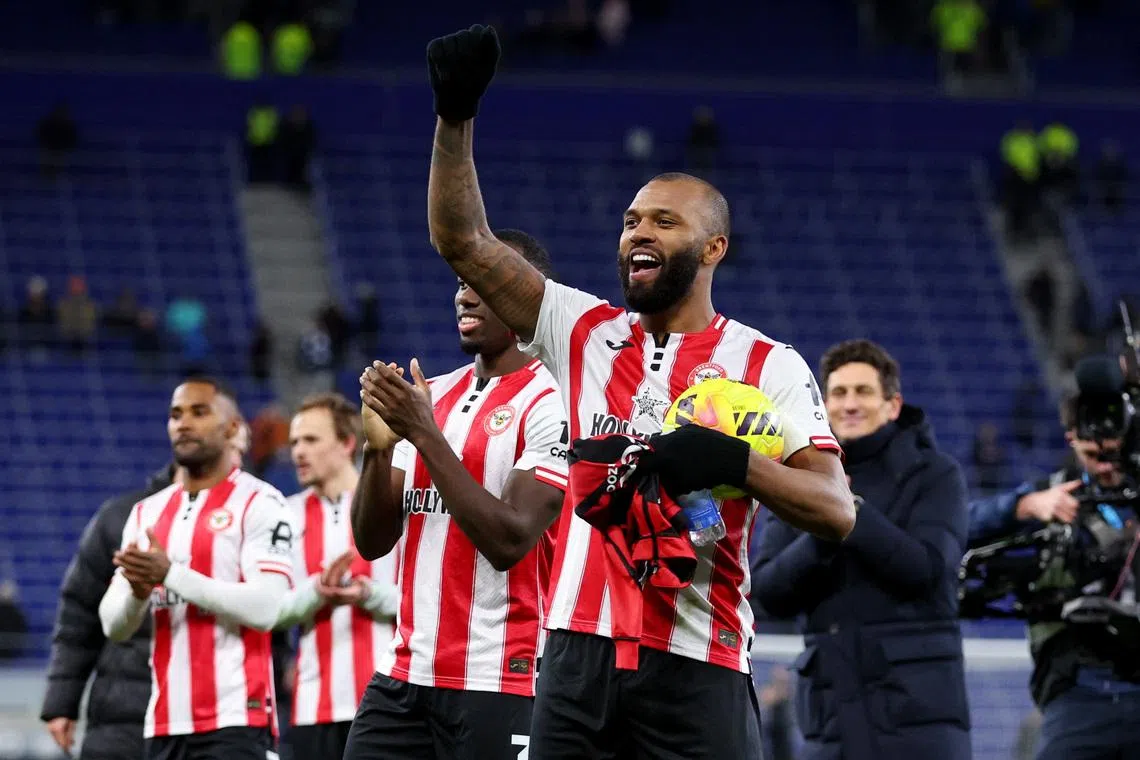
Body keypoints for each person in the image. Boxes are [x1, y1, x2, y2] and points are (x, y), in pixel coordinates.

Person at [421, 24, 854, 758]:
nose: (636, 234)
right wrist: (455, 119)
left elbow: (836, 510)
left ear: (713, 247)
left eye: (662, 221)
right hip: (575, 662)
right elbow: (464, 242)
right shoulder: (579, 329)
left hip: (698, 661)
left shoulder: (767, 364)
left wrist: (732, 463)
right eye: (629, 221)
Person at [346, 229, 570, 759]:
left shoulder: (554, 399)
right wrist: (377, 453)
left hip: (501, 680)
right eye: (461, 282)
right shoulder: (434, 395)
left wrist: (422, 434)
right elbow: (373, 542)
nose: (464, 295)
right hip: (403, 678)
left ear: (528, 295)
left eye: (483, 282)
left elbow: (510, 538)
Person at [753, 339, 971, 759]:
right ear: (823, 405)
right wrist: (823, 526)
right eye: (838, 393)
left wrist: (848, 512)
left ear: (892, 404)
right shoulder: (799, 478)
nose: (849, 404)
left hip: (919, 722)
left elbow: (928, 570)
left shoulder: (936, 474)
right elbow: (767, 593)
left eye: (863, 391)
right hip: (830, 721)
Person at [98, 377, 298, 760]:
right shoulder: (147, 513)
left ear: (233, 428)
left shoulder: (262, 503)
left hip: (237, 722)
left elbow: (266, 609)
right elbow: (113, 625)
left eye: (199, 412)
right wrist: (138, 594)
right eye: (175, 414)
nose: (183, 423)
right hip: (164, 724)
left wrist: (170, 574)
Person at [41, 425, 251, 759]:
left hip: (212, 712)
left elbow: (263, 620)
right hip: (123, 711)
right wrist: (61, 702)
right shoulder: (124, 516)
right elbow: (78, 613)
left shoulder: (249, 520)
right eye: (232, 450)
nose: (236, 462)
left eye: (242, 453)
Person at [968, 355, 1140, 758]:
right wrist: (1025, 506)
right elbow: (953, 530)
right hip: (1079, 691)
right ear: (1070, 437)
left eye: (1114, 429)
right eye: (1090, 435)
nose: (1104, 445)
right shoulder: (1051, 496)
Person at [275, 392, 399, 760]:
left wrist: (368, 594)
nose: (298, 451)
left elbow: (421, 600)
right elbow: (275, 611)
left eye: (311, 440)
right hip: (314, 703)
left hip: (387, 697)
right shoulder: (285, 515)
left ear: (347, 443)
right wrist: (318, 590)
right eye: (294, 442)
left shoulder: (389, 503)